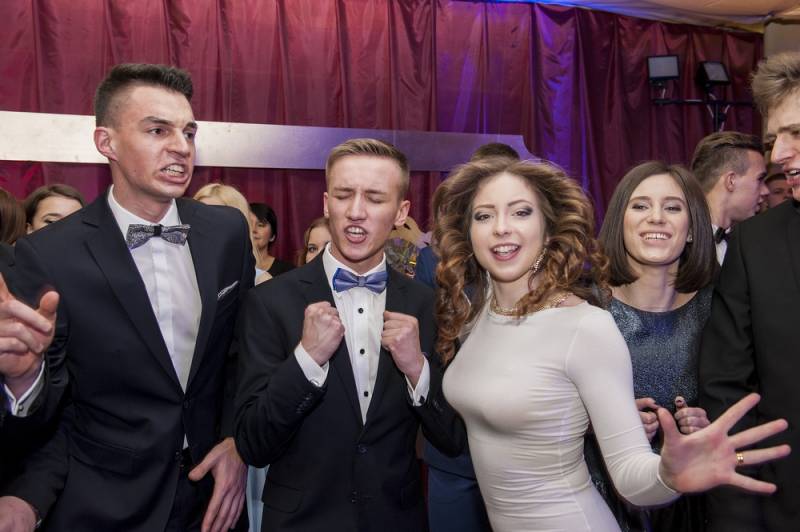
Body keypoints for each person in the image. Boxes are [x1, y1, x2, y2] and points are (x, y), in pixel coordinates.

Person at [433, 157, 789, 532]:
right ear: (468, 231)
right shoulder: (480, 310)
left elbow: (631, 474)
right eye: (484, 216)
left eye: (521, 212)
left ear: (549, 229)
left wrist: (669, 474)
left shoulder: (585, 325)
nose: (501, 228)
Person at [0, 63, 254, 532]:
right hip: (103, 503)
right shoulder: (50, 254)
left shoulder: (227, 232)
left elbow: (240, 356)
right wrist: (24, 379)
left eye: (188, 132)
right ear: (107, 142)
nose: (181, 147)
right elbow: (52, 409)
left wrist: (237, 443)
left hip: (212, 499)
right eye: (158, 130)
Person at [234, 138, 463, 532]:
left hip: (396, 520)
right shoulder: (270, 301)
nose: (356, 212)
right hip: (300, 523)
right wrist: (306, 360)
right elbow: (253, 443)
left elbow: (453, 439)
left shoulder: (427, 305)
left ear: (401, 212)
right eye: (343, 195)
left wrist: (417, 370)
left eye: (374, 198)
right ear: (327, 204)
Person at [699, 50, 800, 532]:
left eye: (795, 133)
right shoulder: (755, 245)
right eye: (775, 140)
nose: (779, 156)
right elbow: (727, 391)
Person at [588, 161, 717, 531]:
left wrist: (708, 422)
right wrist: (605, 424)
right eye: (640, 205)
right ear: (620, 222)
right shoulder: (583, 306)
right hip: (599, 498)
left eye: (672, 207)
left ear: (692, 230)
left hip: (688, 505)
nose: (656, 217)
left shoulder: (717, 307)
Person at [690, 131, 768, 263]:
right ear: (731, 181)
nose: (766, 191)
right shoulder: (677, 245)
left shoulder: (753, 245)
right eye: (760, 179)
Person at [249, 202, 293, 278]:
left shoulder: (287, 271)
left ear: (272, 236)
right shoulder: (232, 266)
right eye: (249, 224)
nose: (253, 229)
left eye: (260, 225)